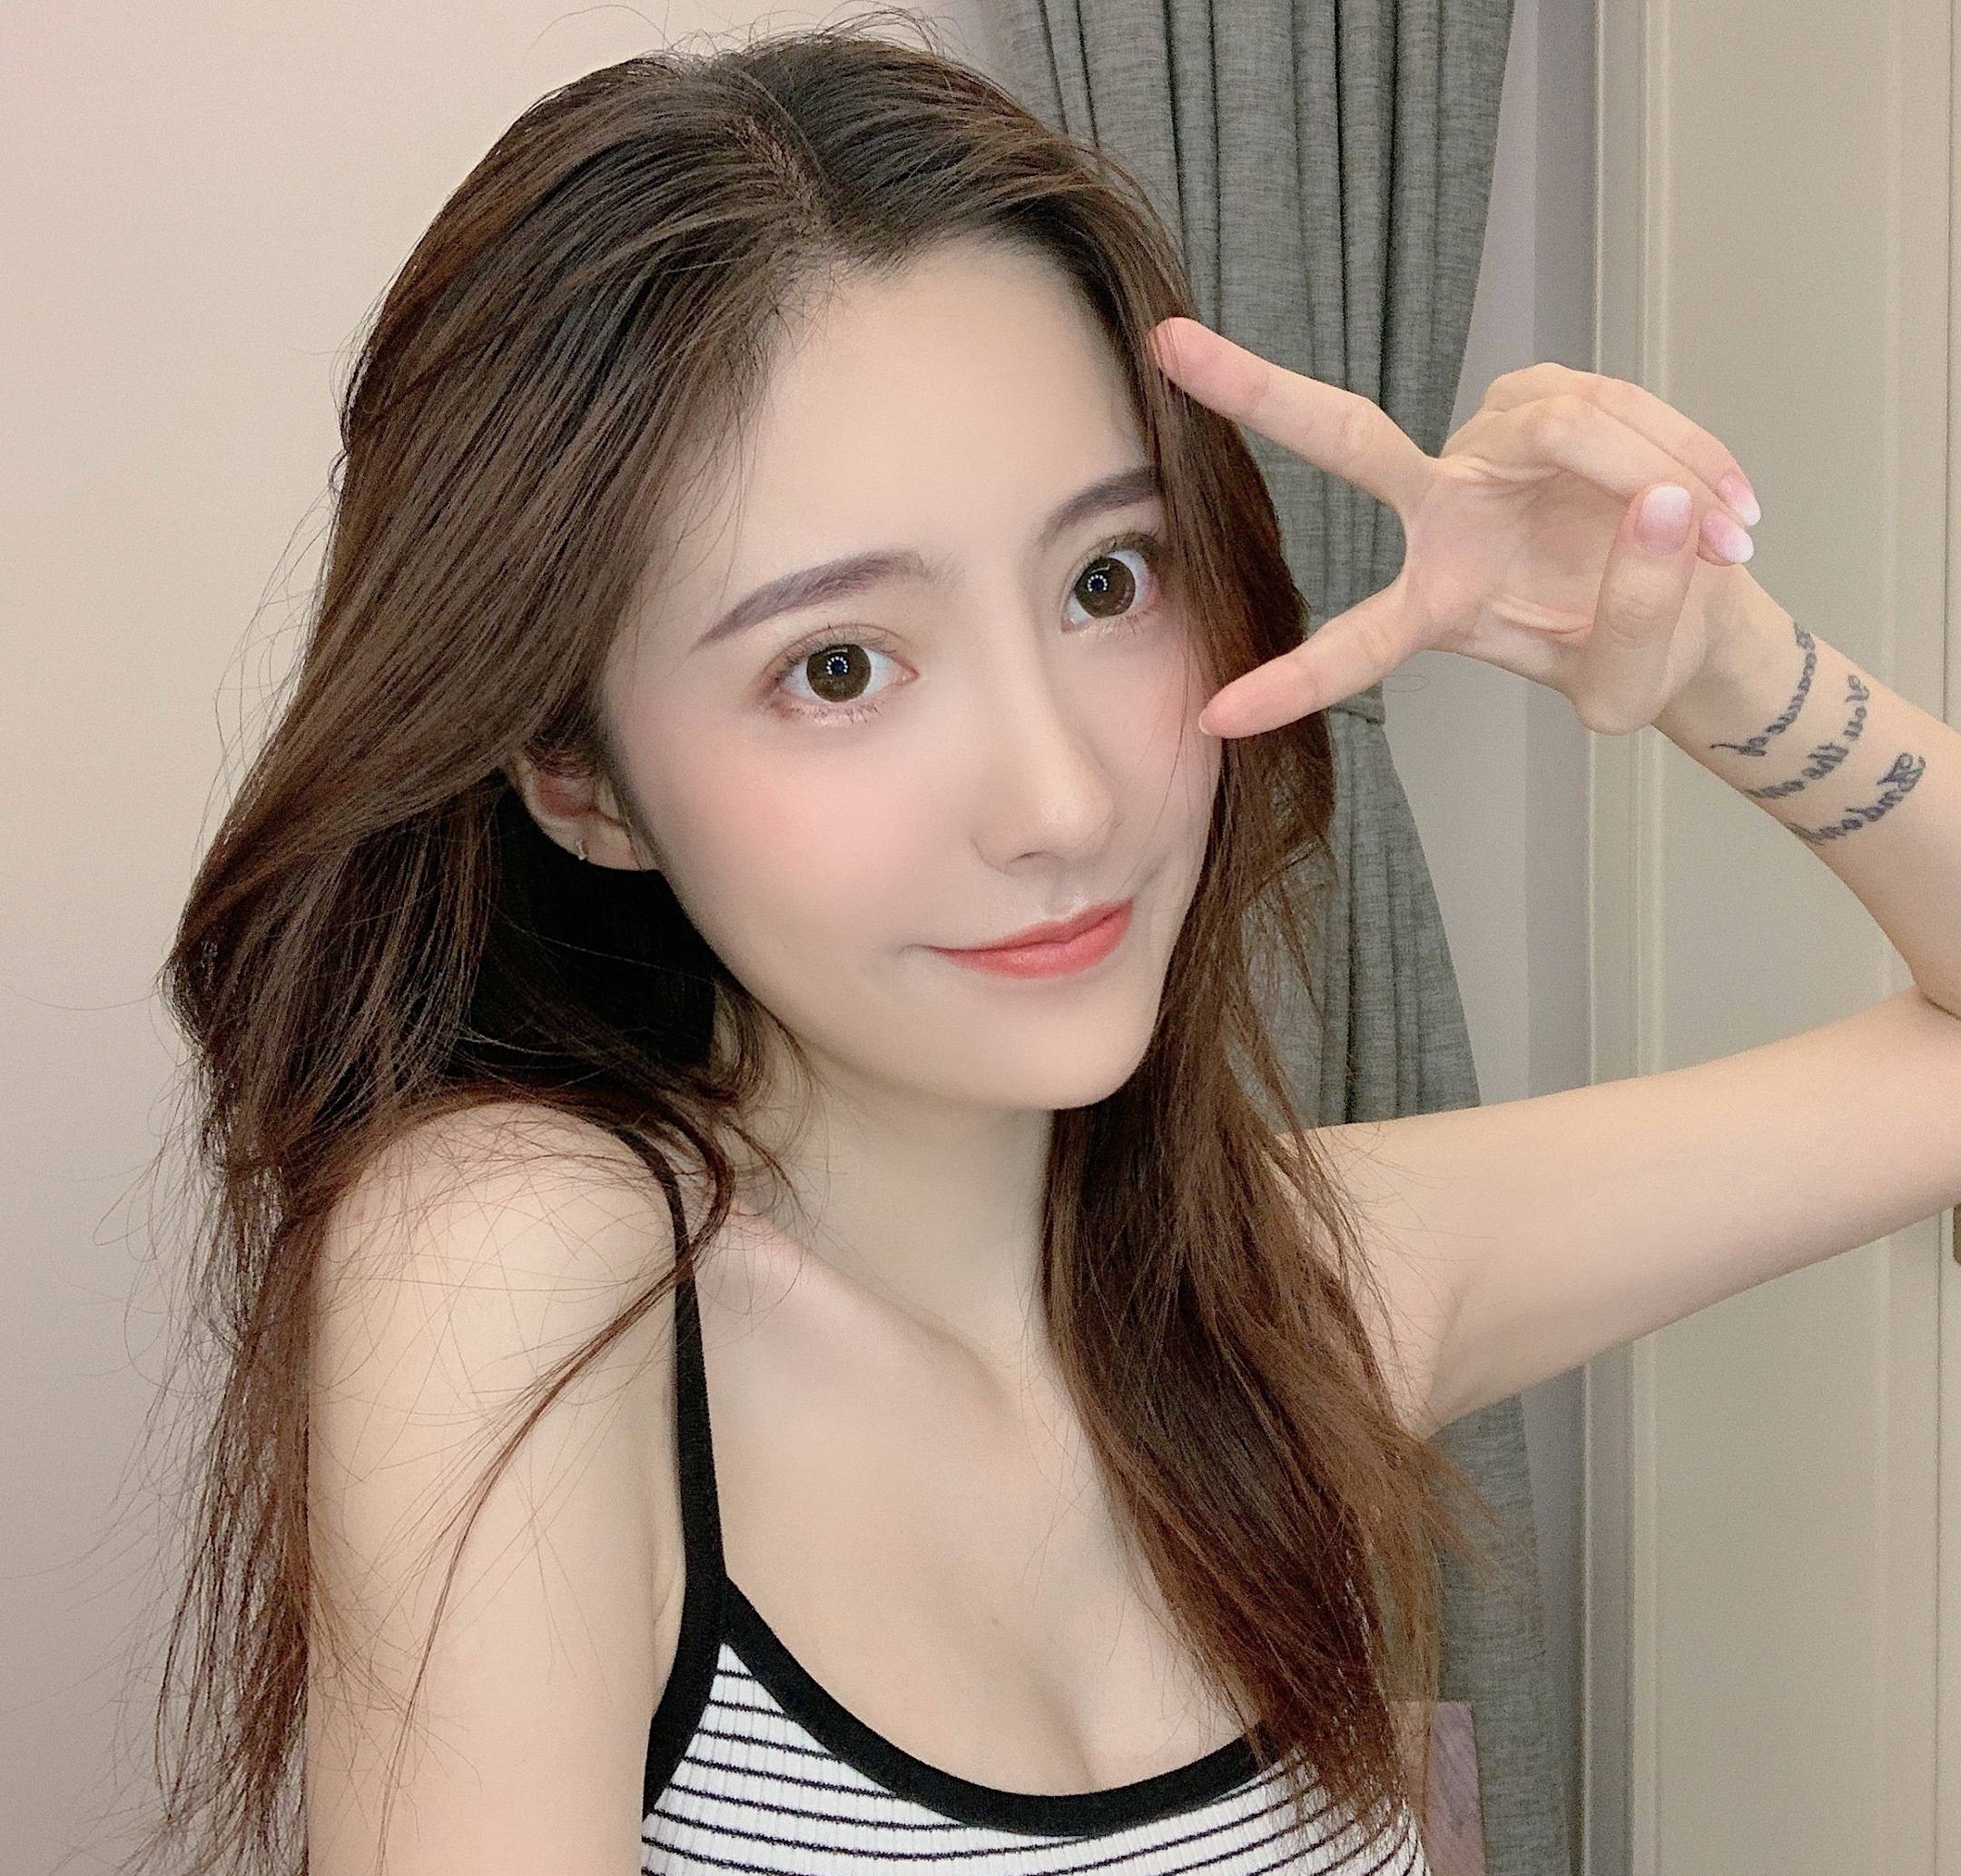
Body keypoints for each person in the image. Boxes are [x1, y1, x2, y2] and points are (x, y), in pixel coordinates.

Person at [138, 13, 1961, 1876]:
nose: (1064, 797)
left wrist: (1725, 665)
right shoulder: (522, 1262)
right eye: (836, 667)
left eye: (1107, 580)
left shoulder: (1284, 1304)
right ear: (579, 777)